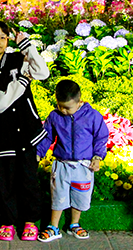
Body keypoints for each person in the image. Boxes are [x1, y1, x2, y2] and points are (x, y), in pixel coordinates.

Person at [0, 20, 50, 241]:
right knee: (5, 181)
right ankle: (6, 221)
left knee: (29, 179)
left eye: (3, 37)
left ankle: (30, 221)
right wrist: (22, 84)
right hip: (4, 134)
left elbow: (43, 73)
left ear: (8, 41)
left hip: (27, 131)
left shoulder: (18, 59)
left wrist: (27, 46)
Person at [36, 79, 109, 242]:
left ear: (79, 101)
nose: (63, 110)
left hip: (84, 165)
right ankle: (53, 226)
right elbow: (47, 136)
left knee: (80, 195)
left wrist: (98, 156)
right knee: (58, 195)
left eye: (67, 107)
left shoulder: (92, 116)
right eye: (60, 106)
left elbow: (101, 137)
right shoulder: (55, 116)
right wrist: (38, 153)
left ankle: (74, 224)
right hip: (61, 164)